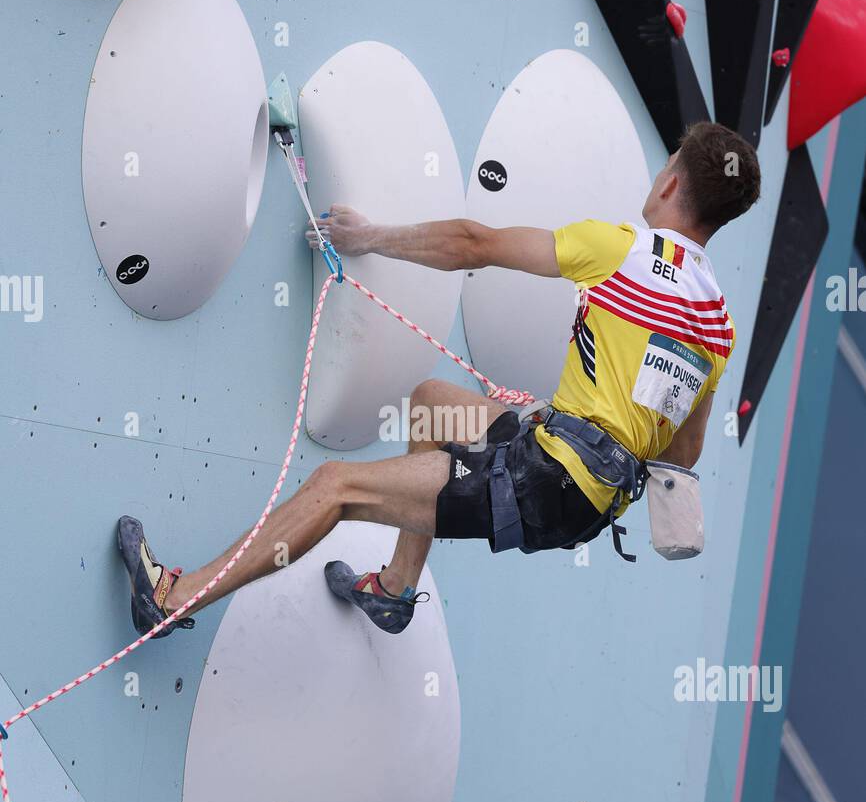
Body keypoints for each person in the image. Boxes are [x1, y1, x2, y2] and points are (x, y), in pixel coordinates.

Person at [118, 120, 760, 638]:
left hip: (546, 478)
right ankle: (395, 591)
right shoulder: (718, 324)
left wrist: (367, 237)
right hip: (585, 488)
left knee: (335, 486)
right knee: (431, 406)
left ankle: (174, 599)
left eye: (666, 163)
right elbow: (682, 453)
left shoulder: (621, 248)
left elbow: (472, 242)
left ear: (672, 182)